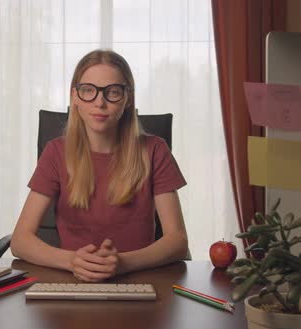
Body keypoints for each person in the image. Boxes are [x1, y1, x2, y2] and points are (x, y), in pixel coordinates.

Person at [11, 49, 188, 282]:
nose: (99, 102)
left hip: (139, 280)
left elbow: (177, 241)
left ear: (127, 99)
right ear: (75, 96)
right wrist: (72, 261)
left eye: (112, 92)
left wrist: (123, 263)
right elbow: (20, 240)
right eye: (88, 90)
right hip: (72, 280)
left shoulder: (155, 150)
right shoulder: (55, 152)